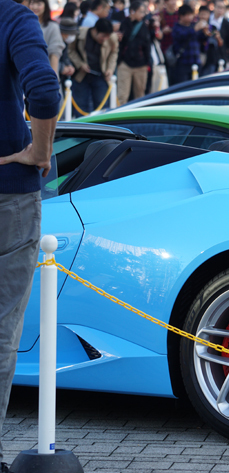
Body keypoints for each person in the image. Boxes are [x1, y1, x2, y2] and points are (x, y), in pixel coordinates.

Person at [0, 1, 61, 472]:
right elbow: (43, 90)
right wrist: (37, 150)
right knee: (1, 331)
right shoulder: (11, 17)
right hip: (7, 194)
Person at [69, 18, 118, 115]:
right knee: (81, 107)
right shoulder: (80, 33)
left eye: (107, 36)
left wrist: (110, 69)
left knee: (102, 107)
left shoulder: (112, 38)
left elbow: (114, 53)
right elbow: (70, 51)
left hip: (101, 75)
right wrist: (80, 64)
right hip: (82, 75)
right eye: (103, 36)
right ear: (95, 30)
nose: (105, 39)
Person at [117, 1, 152, 105]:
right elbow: (121, 43)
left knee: (140, 96)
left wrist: (147, 63)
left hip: (141, 65)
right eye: (141, 12)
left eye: (144, 12)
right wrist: (119, 62)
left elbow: (147, 45)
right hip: (125, 64)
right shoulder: (124, 23)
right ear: (132, 11)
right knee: (122, 95)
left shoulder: (145, 25)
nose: (143, 14)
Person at [29, 0, 65, 77]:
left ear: (45, 6)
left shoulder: (52, 26)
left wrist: (53, 77)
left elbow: (55, 52)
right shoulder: (24, 25)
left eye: (38, 4)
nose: (35, 7)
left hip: (44, 73)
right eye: (32, 3)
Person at [171, 4, 207, 83]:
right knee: (183, 87)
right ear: (181, 16)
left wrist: (205, 33)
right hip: (183, 63)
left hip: (196, 61)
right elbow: (182, 36)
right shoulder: (177, 28)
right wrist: (195, 29)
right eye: (188, 15)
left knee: (197, 85)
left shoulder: (193, 26)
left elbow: (202, 39)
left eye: (191, 14)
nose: (191, 17)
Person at [211, 0, 229, 67]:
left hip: (222, 56)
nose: (220, 10)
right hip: (208, 57)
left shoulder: (228, 25)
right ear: (214, 7)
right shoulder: (208, 20)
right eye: (218, 7)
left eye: (222, 8)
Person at [58, 18, 79, 89]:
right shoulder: (55, 42)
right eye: (71, 34)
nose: (72, 36)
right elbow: (49, 59)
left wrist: (69, 65)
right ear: (62, 33)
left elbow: (65, 57)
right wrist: (61, 68)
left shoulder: (65, 42)